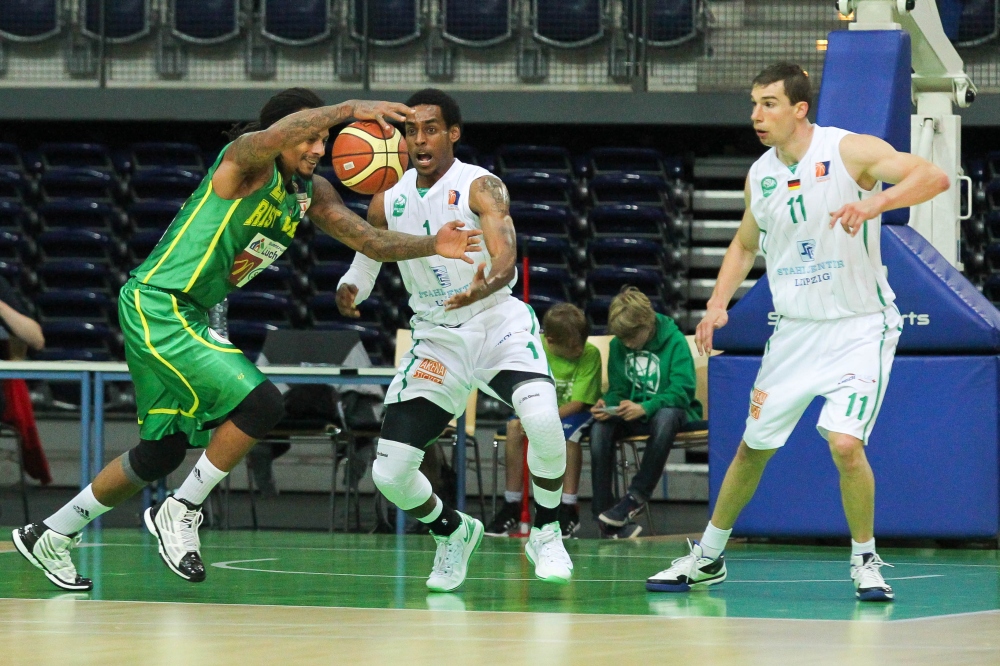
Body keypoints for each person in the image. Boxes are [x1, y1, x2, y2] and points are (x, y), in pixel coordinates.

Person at [12, 88, 483, 592]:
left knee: (161, 453)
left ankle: (51, 532)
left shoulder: (309, 192)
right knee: (262, 404)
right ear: (283, 134)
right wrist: (348, 110)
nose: (317, 150)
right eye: (309, 139)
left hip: (186, 313)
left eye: (324, 141)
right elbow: (275, 135)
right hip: (160, 303)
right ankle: (182, 509)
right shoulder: (244, 162)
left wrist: (434, 244)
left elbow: (369, 240)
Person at [645, 63, 949, 601]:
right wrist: (717, 304)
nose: (756, 115)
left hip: (859, 327)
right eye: (754, 103)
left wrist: (875, 201)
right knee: (751, 449)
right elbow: (744, 243)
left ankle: (865, 559)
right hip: (793, 335)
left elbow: (932, 176)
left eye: (768, 104)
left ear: (799, 108)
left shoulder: (849, 151)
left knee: (845, 445)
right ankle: (709, 557)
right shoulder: (760, 175)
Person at [336, 88, 574, 592]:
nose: (419, 138)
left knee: (544, 422)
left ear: (452, 134)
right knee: (391, 473)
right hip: (437, 337)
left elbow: (505, 251)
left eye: (430, 128)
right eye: (410, 129)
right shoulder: (388, 196)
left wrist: (486, 283)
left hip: (496, 322)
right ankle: (453, 531)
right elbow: (371, 253)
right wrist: (351, 286)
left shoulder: (481, 186)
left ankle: (547, 530)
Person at [589, 287, 701, 539]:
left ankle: (635, 498)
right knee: (599, 427)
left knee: (666, 416)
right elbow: (618, 388)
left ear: (646, 324)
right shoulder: (619, 344)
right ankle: (605, 514)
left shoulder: (674, 341)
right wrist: (608, 404)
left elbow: (682, 391)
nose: (626, 343)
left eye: (631, 337)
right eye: (622, 338)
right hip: (633, 414)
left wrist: (646, 406)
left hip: (670, 413)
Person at [484, 302, 601, 538]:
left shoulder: (590, 354)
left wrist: (542, 420)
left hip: (572, 413)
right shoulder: (535, 350)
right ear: (550, 341)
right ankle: (512, 504)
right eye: (572, 346)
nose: (579, 350)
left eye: (582, 343)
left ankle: (568, 506)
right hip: (537, 410)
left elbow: (579, 403)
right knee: (513, 427)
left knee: (567, 435)